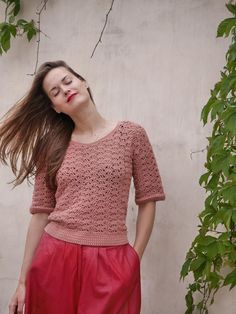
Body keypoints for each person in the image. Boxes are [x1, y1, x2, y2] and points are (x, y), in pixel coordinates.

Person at [1, 60, 166, 314]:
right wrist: (22, 281)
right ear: (55, 108)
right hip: (55, 256)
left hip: (111, 260)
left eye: (67, 81)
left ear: (83, 82)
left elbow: (148, 200)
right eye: (55, 92)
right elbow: (41, 214)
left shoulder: (131, 135)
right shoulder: (52, 146)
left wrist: (134, 258)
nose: (65, 89)